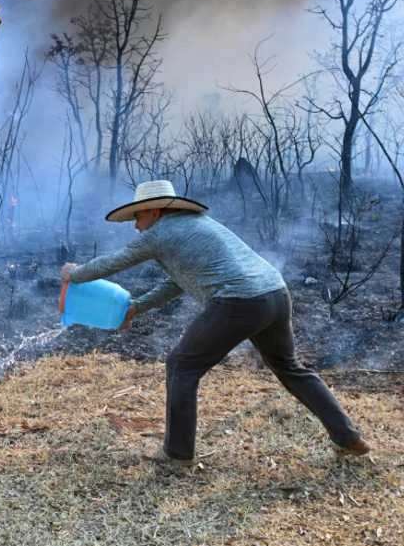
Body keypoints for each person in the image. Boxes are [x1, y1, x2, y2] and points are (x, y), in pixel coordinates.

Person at [60, 179, 370, 464]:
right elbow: (175, 283)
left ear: (153, 211)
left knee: (181, 365)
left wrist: (74, 274)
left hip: (240, 301)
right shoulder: (198, 225)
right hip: (275, 294)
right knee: (290, 368)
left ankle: (177, 454)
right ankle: (348, 436)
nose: (137, 228)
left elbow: (113, 263)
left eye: (137, 219)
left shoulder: (160, 234)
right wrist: (136, 309)